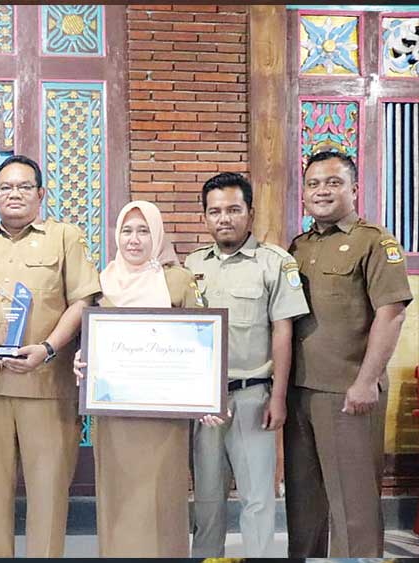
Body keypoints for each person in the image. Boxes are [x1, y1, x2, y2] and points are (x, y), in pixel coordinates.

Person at [0, 155, 101, 557]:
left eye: (24, 187)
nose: (15, 194)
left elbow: (83, 301)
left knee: (48, 494)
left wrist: (48, 348)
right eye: (6, 187)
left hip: (47, 387)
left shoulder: (65, 238)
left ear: (40, 194)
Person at [286, 150, 413, 557]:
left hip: (348, 393)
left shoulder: (374, 241)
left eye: (333, 182)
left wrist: (366, 381)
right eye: (313, 184)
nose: (321, 191)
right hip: (300, 391)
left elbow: (391, 314)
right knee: (304, 504)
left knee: (353, 506)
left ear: (354, 189)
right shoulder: (299, 246)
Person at [185, 173, 309, 557]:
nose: (224, 218)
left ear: (250, 213)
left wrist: (279, 398)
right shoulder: (192, 264)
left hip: (253, 397)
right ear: (205, 216)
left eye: (233, 209)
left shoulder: (274, 263)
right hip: (205, 403)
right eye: (215, 211)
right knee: (207, 500)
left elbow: (283, 332)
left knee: (257, 499)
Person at [74, 200, 201, 557]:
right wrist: (81, 358)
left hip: (165, 418)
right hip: (115, 415)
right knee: (119, 497)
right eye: (127, 231)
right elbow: (87, 338)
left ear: (156, 235)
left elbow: (200, 341)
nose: (134, 239)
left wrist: (206, 394)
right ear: (117, 235)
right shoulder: (101, 283)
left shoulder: (177, 280)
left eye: (144, 231)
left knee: (163, 497)